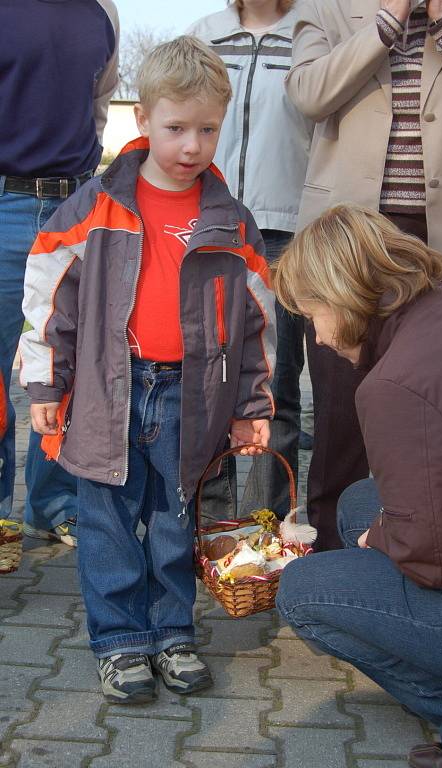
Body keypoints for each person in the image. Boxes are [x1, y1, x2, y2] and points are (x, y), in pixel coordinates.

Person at [19, 36, 276, 704]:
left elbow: (256, 322)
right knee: (105, 523)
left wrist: (251, 406)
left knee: (172, 520)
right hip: (108, 391)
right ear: (143, 121)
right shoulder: (94, 207)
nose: (191, 146)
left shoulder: (229, 220)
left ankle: (171, 634)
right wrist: (46, 382)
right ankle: (119, 642)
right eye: (175, 128)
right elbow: (48, 299)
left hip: (192, 399)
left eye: (207, 130)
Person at [274, 203, 442, 768]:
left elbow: (434, 561)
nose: (320, 340)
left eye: (313, 316)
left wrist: (380, 540)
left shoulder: (394, 386)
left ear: (345, 295)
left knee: (304, 591)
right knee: (359, 501)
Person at [284, 0, 442, 549]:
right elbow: (307, 94)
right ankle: (334, 550)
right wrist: (387, 20)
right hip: (349, 244)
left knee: (431, 400)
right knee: (339, 409)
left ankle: (426, 544)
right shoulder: (326, 6)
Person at [188, 0, 314, 520]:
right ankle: (214, 528)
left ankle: (264, 525)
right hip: (210, 224)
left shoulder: (310, 32)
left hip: (284, 228)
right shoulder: (206, 34)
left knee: (275, 384)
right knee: (207, 381)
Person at [0, 0, 119, 546]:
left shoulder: (102, 10)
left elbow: (98, 104)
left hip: (76, 207)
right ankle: (1, 515)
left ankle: (51, 503)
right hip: (7, 203)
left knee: (66, 362)